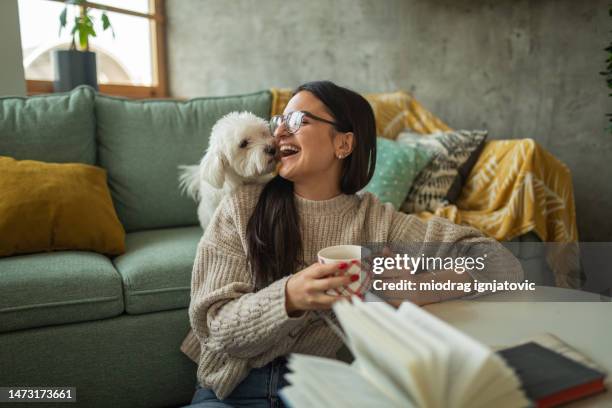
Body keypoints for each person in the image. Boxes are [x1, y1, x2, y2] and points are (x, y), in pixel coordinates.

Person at [179, 80, 523, 407]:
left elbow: (502, 264)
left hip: (324, 391)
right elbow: (214, 327)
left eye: (297, 120)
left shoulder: (378, 221)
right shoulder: (241, 207)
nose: (279, 131)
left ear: (343, 144)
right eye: (279, 120)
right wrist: (290, 296)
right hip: (230, 392)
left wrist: (421, 288)